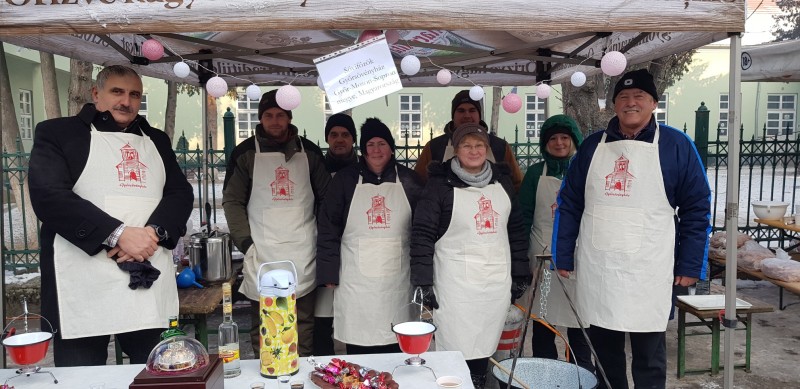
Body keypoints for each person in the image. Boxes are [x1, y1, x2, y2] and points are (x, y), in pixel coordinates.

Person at [553, 69, 711, 389]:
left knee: (649, 361)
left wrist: (691, 264)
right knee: (605, 358)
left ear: (653, 102)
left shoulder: (676, 146)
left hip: (649, 272)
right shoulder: (593, 147)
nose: (631, 102)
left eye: (639, 96)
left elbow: (697, 208)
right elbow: (570, 203)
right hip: (600, 272)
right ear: (614, 105)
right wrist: (564, 255)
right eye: (623, 97)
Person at [28, 65, 193, 366]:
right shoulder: (58, 133)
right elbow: (49, 196)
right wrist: (119, 234)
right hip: (84, 286)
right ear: (96, 94)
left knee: (156, 374)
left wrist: (153, 233)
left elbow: (180, 194)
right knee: (81, 380)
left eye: (134, 94)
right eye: (117, 91)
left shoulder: (156, 140)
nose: (126, 101)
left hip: (148, 281)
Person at [410, 123, 530, 388]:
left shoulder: (503, 182)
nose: (473, 150)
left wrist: (521, 272)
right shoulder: (439, 185)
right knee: (455, 351)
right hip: (455, 287)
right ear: (455, 149)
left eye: (479, 145)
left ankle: (476, 382)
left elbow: (516, 232)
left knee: (483, 349)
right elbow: (422, 235)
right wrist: (423, 281)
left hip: (494, 284)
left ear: (487, 149)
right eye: (466, 145)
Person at [223, 89, 330, 357]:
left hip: (303, 251)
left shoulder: (311, 152)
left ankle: (300, 374)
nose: (274, 121)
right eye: (268, 115)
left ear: (289, 117)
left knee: (302, 324)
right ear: (261, 119)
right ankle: (266, 372)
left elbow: (327, 201)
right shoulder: (244, 153)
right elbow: (232, 202)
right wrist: (246, 244)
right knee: (264, 324)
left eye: (280, 115)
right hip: (262, 251)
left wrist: (322, 241)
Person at [317, 118, 424, 355]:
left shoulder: (410, 180)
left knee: (397, 343)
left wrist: (423, 274)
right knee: (359, 346)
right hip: (355, 282)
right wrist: (328, 273)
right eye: (371, 144)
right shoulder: (345, 181)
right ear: (363, 149)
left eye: (382, 143)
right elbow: (328, 229)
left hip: (398, 280)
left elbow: (424, 231)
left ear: (391, 147)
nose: (376, 150)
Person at [518, 114, 592, 370]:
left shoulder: (586, 170)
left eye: (564, 137)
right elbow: (524, 215)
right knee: (544, 323)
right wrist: (522, 258)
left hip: (577, 258)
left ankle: (581, 376)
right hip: (543, 258)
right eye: (553, 138)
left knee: (579, 325)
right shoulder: (536, 173)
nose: (559, 143)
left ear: (574, 140)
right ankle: (545, 374)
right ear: (544, 143)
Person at [413, 89, 523, 191]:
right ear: (453, 115)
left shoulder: (500, 146)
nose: (467, 115)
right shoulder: (434, 147)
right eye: (461, 111)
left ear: (479, 115)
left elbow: (517, 184)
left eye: (472, 110)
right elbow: (419, 183)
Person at [314, 112, 359, 356]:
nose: (339, 139)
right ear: (327, 139)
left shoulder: (364, 169)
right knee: (322, 317)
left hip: (355, 251)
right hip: (324, 249)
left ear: (353, 139)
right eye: (334, 135)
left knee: (354, 316)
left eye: (345, 134)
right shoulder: (317, 168)